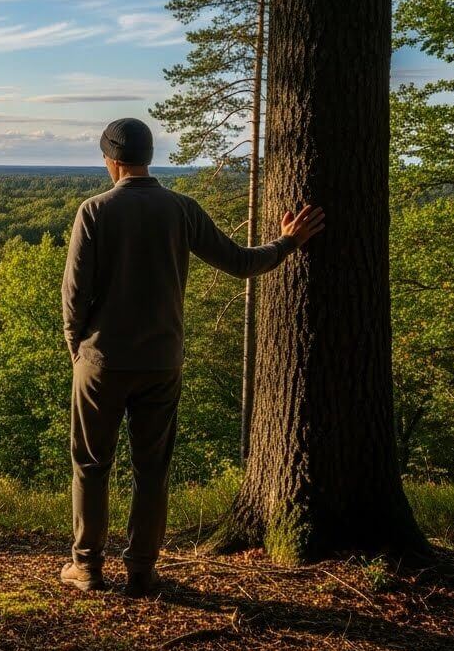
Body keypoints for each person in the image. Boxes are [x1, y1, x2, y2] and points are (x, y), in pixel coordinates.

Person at [58, 118, 325, 597]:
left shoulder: (94, 211)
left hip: (101, 361)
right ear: (148, 157)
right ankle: (141, 570)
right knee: (151, 469)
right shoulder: (182, 209)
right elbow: (241, 263)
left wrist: (76, 347)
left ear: (111, 161)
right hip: (162, 361)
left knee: (92, 465)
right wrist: (287, 242)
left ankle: (87, 567)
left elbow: (74, 296)